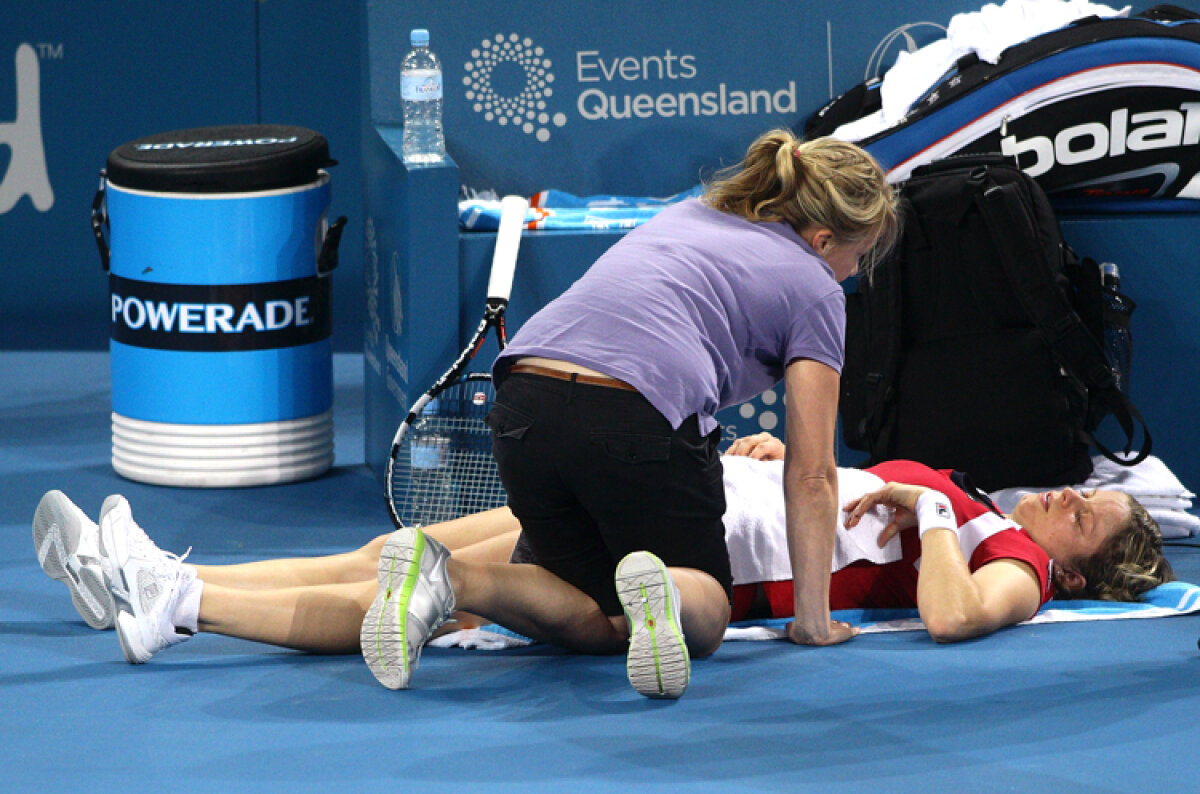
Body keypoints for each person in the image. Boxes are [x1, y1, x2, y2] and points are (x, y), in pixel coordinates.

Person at [359, 128, 901, 698]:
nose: (853, 273)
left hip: (523, 399)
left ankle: (448, 576)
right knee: (709, 611)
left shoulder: (689, 216)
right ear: (821, 241)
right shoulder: (817, 289)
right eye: (857, 255)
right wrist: (812, 623)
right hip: (635, 413)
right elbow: (812, 473)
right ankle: (666, 587)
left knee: (585, 607)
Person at [32, 436, 1172, 669]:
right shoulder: (983, 495)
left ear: (1076, 568)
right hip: (703, 488)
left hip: (697, 545)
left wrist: (931, 525)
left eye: (1091, 516)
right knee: (402, 542)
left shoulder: (1011, 560)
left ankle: (167, 597)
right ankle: (155, 582)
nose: (1075, 494)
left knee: (423, 573)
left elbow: (951, 615)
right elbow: (853, 485)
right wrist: (779, 451)